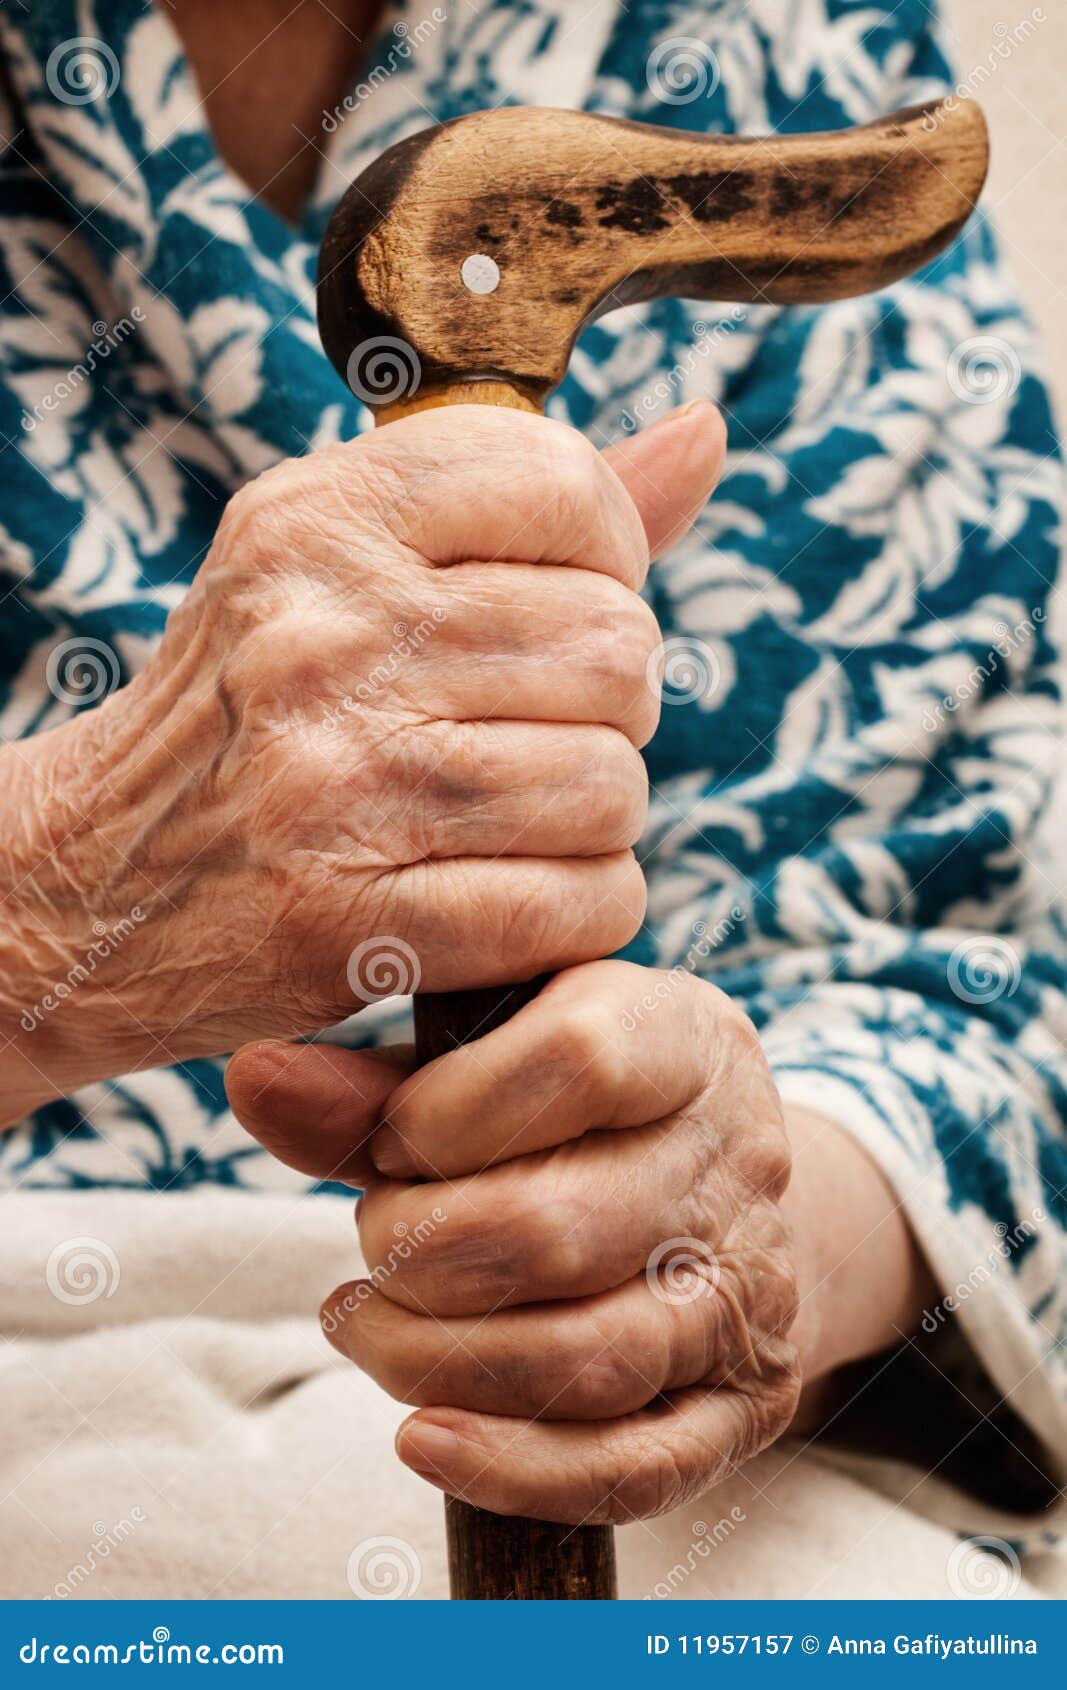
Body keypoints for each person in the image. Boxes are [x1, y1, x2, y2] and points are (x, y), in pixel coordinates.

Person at [1, 0, 1064, 1572]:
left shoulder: (767, 39)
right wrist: (56, 900)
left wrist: (737, 1232)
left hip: (715, 1480)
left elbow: (994, 985)